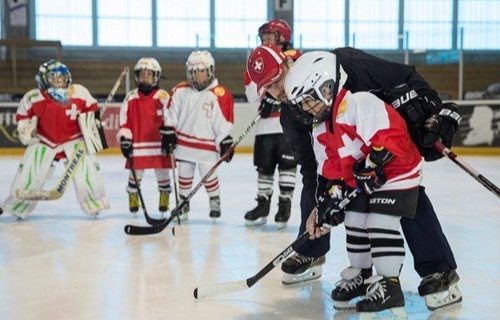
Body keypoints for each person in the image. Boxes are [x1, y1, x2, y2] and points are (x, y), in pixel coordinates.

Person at [246, 44, 462, 311]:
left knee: (405, 196)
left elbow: (400, 76)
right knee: (349, 211)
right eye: (268, 87)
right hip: (351, 163)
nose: (277, 91)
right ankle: (337, 263)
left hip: (386, 138)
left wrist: (432, 110)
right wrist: (322, 206)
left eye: (277, 79)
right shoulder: (292, 115)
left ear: (289, 62)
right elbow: (314, 168)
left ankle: (439, 269)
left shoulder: (341, 63)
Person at [286, 51, 423, 313]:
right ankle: (360, 275)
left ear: (326, 88)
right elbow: (331, 169)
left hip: (398, 169)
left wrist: (372, 164)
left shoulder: (357, 103)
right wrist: (328, 201)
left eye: (307, 101)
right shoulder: (321, 126)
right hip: (368, 178)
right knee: (354, 218)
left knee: (379, 221)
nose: (304, 109)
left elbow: (392, 134)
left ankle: (389, 284)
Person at [3, 59, 109, 218]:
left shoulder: (79, 92)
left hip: (74, 140)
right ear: (43, 80)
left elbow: (91, 109)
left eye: (62, 78)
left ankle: (94, 203)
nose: (59, 82)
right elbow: (22, 117)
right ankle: (17, 205)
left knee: (87, 170)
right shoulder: (33, 97)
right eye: (54, 78)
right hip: (44, 140)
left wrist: (93, 123)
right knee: (30, 170)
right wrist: (28, 131)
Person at [161, 50, 234, 221]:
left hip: (207, 147)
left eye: (201, 72)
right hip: (184, 144)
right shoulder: (180, 90)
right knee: (184, 174)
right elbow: (171, 113)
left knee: (209, 175)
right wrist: (169, 131)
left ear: (209, 71)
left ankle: (214, 199)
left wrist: (224, 139)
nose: (197, 76)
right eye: (193, 72)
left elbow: (223, 121)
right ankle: (183, 203)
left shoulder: (219, 94)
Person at [242, 19, 299, 229]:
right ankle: (263, 204)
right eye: (263, 36)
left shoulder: (294, 58)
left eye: (270, 36)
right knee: (264, 166)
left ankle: (285, 205)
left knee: (287, 165)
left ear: (282, 38)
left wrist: (273, 97)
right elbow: (251, 95)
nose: (265, 39)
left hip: (288, 126)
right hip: (265, 127)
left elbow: (297, 86)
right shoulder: (255, 61)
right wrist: (264, 97)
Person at [116, 57, 172, 215]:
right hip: (138, 143)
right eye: (141, 74)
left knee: (162, 171)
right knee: (136, 172)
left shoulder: (163, 96)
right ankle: (133, 196)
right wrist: (125, 138)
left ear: (156, 77)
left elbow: (171, 116)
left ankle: (164, 196)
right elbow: (124, 121)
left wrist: (170, 133)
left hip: (158, 143)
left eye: (148, 74)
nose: (144, 77)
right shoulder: (131, 98)